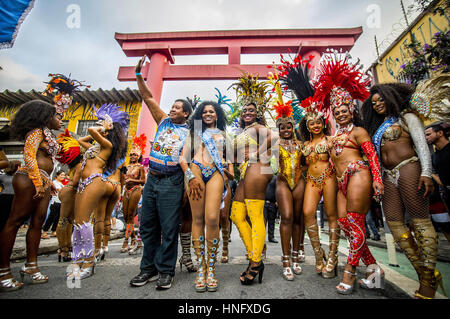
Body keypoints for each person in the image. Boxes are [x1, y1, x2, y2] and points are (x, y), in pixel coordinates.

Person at [362, 81, 446, 299]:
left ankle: (427, 283)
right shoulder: (376, 127)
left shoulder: (407, 117)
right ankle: (425, 272)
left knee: (420, 221)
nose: (378, 104)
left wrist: (426, 171)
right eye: (374, 102)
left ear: (391, 98)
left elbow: (421, 145)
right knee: (395, 224)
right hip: (388, 176)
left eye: (381, 99)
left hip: (409, 167)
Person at [313, 51, 385, 295]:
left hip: (359, 174)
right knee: (344, 223)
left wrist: (377, 180)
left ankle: (350, 272)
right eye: (336, 110)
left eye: (344, 109)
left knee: (355, 223)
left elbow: (372, 156)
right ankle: (374, 269)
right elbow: (332, 164)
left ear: (352, 110)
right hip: (342, 181)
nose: (340, 113)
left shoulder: (359, 133)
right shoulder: (333, 137)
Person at [129, 56, 192, 290]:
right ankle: (148, 269)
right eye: (173, 106)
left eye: (177, 107)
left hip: (172, 181)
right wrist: (138, 74)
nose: (172, 109)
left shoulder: (190, 133)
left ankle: (166, 271)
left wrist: (186, 188)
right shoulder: (163, 121)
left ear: (186, 114)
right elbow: (147, 97)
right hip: (153, 180)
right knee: (147, 226)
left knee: (168, 228)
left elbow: (190, 163)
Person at [278, 54, 339, 279]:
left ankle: (332, 256)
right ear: (306, 124)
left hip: (329, 177)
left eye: (317, 121)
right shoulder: (303, 144)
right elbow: (294, 162)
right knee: (306, 214)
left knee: (332, 215)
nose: (314, 124)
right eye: (310, 122)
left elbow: (341, 159)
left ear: (323, 123)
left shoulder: (331, 141)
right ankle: (318, 254)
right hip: (311, 180)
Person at [0, 100, 62, 291]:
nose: (59, 119)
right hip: (28, 179)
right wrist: (37, 180)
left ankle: (31, 266)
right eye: (55, 115)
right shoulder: (36, 132)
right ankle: (3, 272)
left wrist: (48, 182)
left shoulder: (46, 134)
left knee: (37, 222)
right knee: (15, 221)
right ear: (44, 117)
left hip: (40, 180)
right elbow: (29, 156)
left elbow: (45, 161)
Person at [68, 103, 128, 280]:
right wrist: (103, 128)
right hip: (83, 184)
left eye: (103, 124)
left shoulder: (107, 145)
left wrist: (104, 127)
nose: (99, 125)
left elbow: (93, 131)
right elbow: (82, 140)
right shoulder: (95, 147)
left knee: (84, 221)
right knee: (78, 222)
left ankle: (89, 261)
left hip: (94, 182)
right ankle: (77, 259)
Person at [180, 101, 231, 292]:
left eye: (212, 111)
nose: (208, 114)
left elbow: (230, 157)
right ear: (200, 115)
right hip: (196, 171)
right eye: (205, 111)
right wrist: (190, 176)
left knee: (212, 218)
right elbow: (182, 159)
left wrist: (229, 168)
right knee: (198, 219)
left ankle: (212, 268)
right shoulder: (194, 133)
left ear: (217, 115)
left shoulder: (225, 135)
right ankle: (201, 267)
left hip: (216, 173)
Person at [229, 73, 275, 285]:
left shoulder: (258, 127)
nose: (247, 112)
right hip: (247, 171)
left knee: (255, 215)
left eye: (252, 110)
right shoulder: (245, 130)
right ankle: (254, 257)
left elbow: (274, 141)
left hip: (259, 168)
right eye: (245, 110)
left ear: (258, 113)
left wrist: (257, 155)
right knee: (236, 215)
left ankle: (255, 262)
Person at [270, 86, 306, 281]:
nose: (285, 130)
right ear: (279, 129)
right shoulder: (275, 145)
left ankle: (295, 257)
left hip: (300, 182)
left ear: (293, 127)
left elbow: (307, 163)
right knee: (287, 216)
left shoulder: (301, 145)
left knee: (298, 218)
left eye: (288, 127)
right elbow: (266, 163)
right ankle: (285, 260)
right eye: (282, 127)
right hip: (282, 183)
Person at [54, 130, 83, 262]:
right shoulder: (79, 166)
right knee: (64, 220)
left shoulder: (74, 166)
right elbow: (76, 181)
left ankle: (67, 247)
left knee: (68, 220)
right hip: (70, 191)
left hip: (68, 192)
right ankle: (63, 249)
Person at [121, 134, 146, 253]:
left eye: (135, 154)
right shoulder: (126, 166)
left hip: (135, 190)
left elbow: (143, 181)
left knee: (131, 215)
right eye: (131, 154)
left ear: (139, 156)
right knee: (126, 216)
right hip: (125, 191)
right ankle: (133, 238)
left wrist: (132, 180)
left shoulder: (140, 167)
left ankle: (126, 240)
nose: (132, 156)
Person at [426, 122, 450, 210]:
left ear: (440, 133)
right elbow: (441, 180)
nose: (426, 138)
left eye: (428, 134)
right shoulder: (435, 157)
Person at [41, 170, 65, 238]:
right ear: (57, 176)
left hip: (60, 202)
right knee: (51, 218)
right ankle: (44, 232)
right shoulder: (54, 183)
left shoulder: (62, 184)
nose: (63, 176)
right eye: (61, 175)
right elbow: (59, 190)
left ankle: (53, 231)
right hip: (55, 202)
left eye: (64, 175)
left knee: (57, 218)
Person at [264, 176, 278, 244]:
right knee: (263, 220)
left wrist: (277, 200)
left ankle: (271, 237)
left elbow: (278, 189)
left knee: (272, 221)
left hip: (273, 202)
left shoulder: (275, 178)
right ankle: (261, 237)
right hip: (263, 202)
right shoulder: (262, 177)